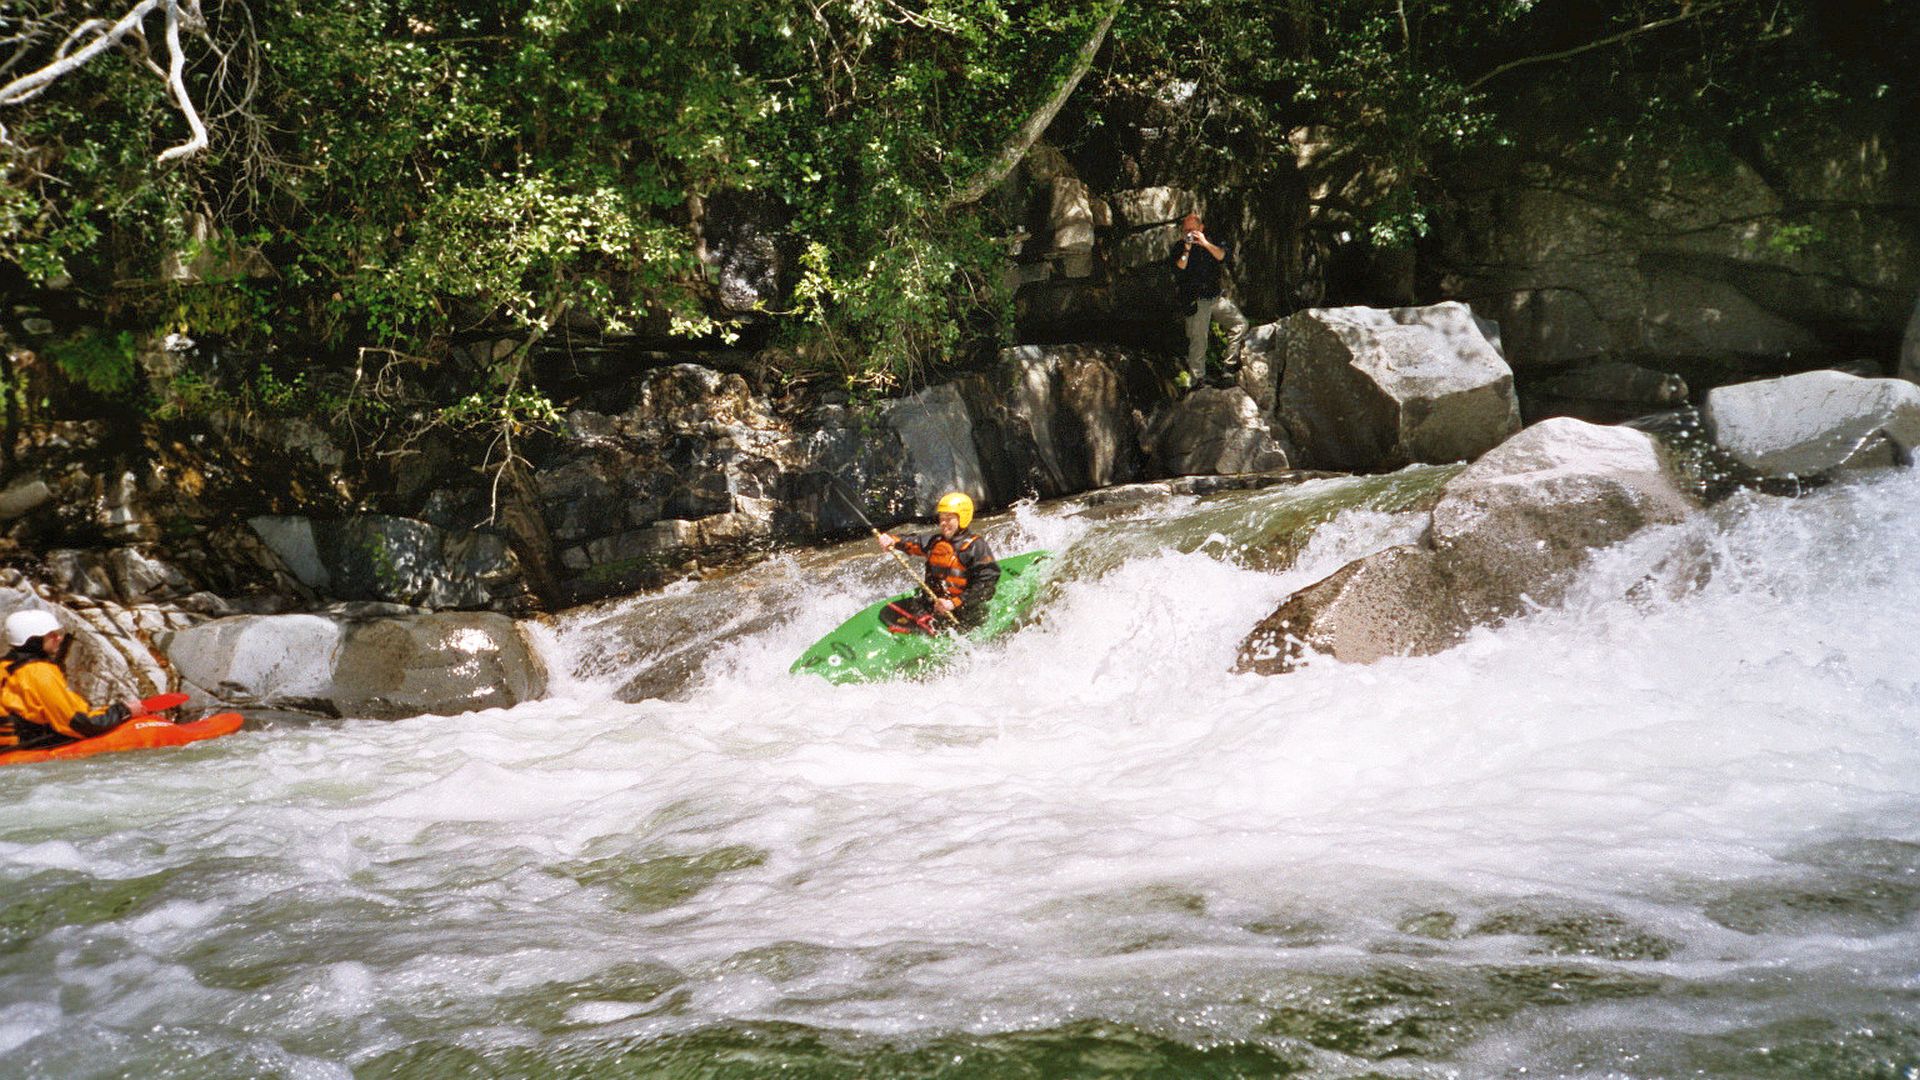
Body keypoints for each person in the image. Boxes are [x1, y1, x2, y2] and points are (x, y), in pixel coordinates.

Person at [0, 610, 139, 752]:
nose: (59, 638)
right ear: (33, 639)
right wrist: (123, 710)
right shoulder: (38, 672)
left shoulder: (4, 666)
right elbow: (78, 724)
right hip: (29, 746)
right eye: (52, 635)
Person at [874, 491, 1001, 634]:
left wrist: (954, 603)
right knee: (897, 611)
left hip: (962, 611)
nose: (943, 523)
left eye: (949, 518)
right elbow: (911, 542)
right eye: (942, 518)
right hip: (931, 605)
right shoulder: (936, 542)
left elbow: (987, 585)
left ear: (962, 518)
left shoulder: (975, 547)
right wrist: (892, 540)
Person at [1168, 211, 1249, 391]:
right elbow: (1178, 269)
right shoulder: (1179, 247)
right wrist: (1187, 249)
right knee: (1199, 340)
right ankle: (1197, 380)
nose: (1189, 233)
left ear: (1201, 228)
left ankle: (1228, 367)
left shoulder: (1212, 241)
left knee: (1240, 324)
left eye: (1193, 229)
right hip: (1195, 299)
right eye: (1186, 230)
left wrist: (1204, 243)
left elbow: (1223, 256)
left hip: (1214, 297)